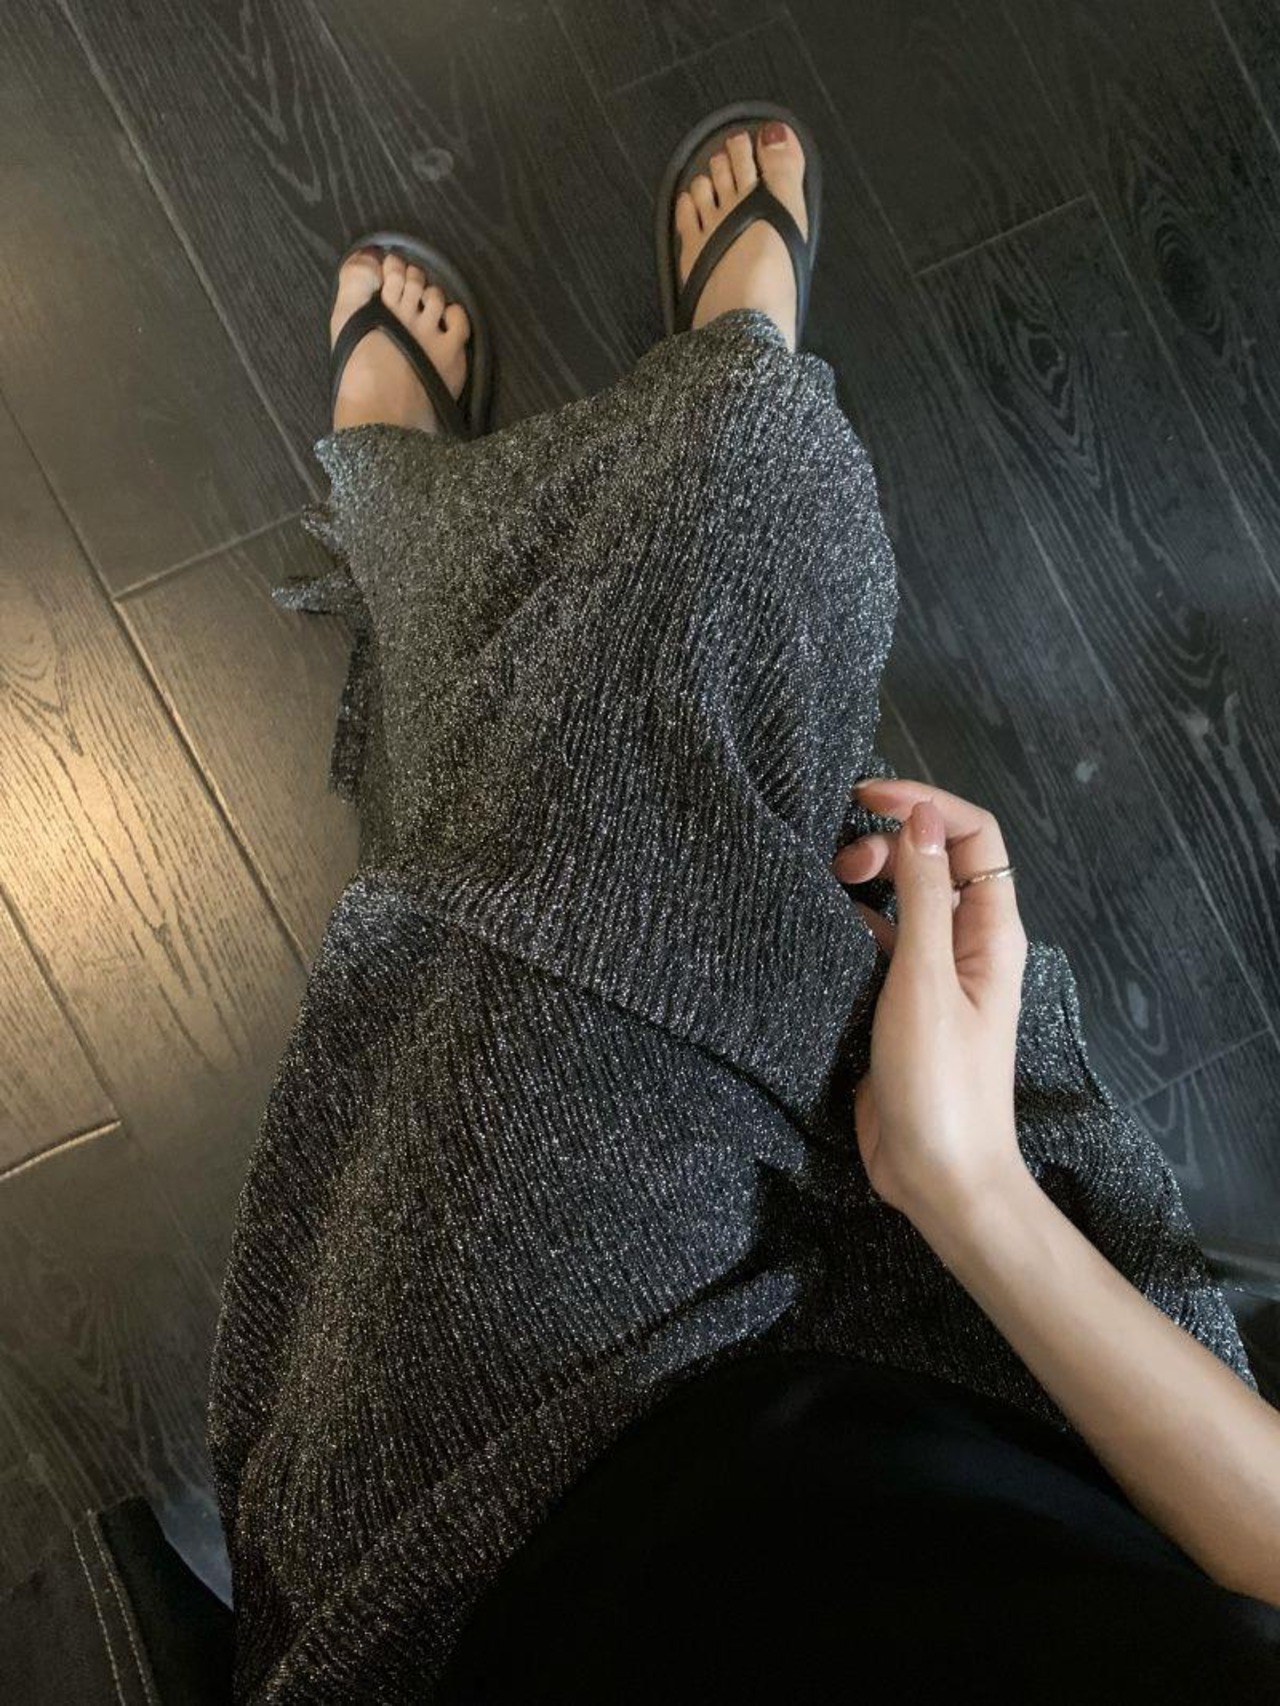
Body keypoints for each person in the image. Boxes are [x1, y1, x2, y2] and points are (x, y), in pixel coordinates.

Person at [208, 108, 1280, 1702]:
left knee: (721, 522)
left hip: (516, 1533)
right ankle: (460, 523)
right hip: (1048, 1409)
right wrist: (971, 1187)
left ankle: (479, 503)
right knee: (646, 738)